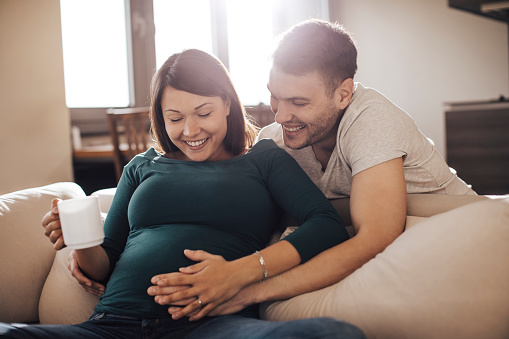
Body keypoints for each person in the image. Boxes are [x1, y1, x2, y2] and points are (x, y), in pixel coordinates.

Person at [3, 49, 365, 338]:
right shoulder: (143, 166)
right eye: (174, 118)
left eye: (203, 112)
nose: (190, 130)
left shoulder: (264, 160)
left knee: (333, 333)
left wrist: (243, 272)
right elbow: (104, 264)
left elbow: (326, 224)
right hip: (111, 326)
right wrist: (80, 241)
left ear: (227, 104)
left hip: (214, 326)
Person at [142, 18, 477, 319]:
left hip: (462, 235)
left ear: (344, 93)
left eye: (299, 103)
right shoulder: (275, 140)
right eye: (275, 97)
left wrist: (247, 289)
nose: (280, 116)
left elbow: (374, 238)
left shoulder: (372, 121)